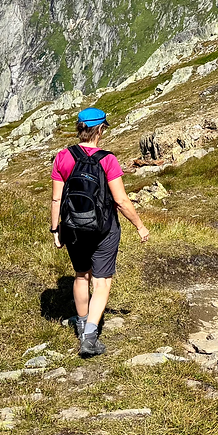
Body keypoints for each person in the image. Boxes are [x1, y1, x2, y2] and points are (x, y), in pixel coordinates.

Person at [49, 107, 149, 357]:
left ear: (80, 128)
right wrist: (139, 226)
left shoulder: (63, 156)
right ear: (101, 129)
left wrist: (55, 229)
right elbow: (122, 201)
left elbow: (55, 199)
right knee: (102, 281)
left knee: (81, 275)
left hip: (72, 227)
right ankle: (90, 337)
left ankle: (82, 325)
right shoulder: (108, 160)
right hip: (104, 229)